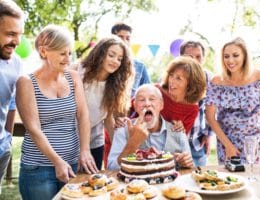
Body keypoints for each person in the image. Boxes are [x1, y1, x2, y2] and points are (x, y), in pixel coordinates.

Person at [16, 25, 98, 200]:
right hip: (38, 169)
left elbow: (83, 115)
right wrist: (57, 161)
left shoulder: (73, 77)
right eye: (62, 53)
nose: (68, 59)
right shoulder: (26, 82)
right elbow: (33, 128)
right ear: (44, 52)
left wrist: (84, 150)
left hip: (73, 164)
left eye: (70, 53)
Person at [205, 37, 260, 164]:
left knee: (255, 179)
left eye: (235, 55)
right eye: (226, 56)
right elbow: (209, 116)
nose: (230, 60)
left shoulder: (259, 76)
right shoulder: (216, 81)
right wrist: (228, 146)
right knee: (230, 181)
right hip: (227, 142)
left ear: (245, 56)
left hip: (254, 141)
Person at [77, 36, 134, 170]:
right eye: (111, 55)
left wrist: (119, 149)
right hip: (70, 142)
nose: (115, 61)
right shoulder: (79, 73)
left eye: (119, 59)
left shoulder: (114, 85)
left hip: (94, 143)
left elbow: (108, 118)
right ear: (100, 53)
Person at [107, 84, 193, 169]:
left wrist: (186, 162)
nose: (147, 104)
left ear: (161, 104)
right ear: (135, 105)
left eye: (152, 99)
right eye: (141, 100)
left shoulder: (177, 130)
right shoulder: (123, 129)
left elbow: (190, 167)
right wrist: (133, 143)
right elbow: (111, 168)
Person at [0, 0, 24, 194]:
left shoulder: (16, 62)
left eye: (19, 35)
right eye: (10, 34)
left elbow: (12, 102)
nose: (16, 41)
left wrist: (7, 139)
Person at [180, 40, 213, 166]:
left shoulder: (209, 78)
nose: (194, 60)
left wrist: (208, 135)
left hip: (197, 141)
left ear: (203, 58)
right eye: (189, 57)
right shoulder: (172, 77)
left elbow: (211, 110)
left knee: (198, 180)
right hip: (175, 143)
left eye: (198, 56)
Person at [157, 56, 206, 134]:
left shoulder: (192, 109)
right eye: (171, 75)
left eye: (178, 78)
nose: (172, 81)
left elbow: (182, 141)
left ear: (190, 84)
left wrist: (181, 130)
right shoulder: (157, 91)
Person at [111, 22, 151, 97]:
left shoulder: (140, 66)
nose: (124, 41)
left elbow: (149, 93)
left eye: (128, 38)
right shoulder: (105, 62)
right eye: (120, 37)